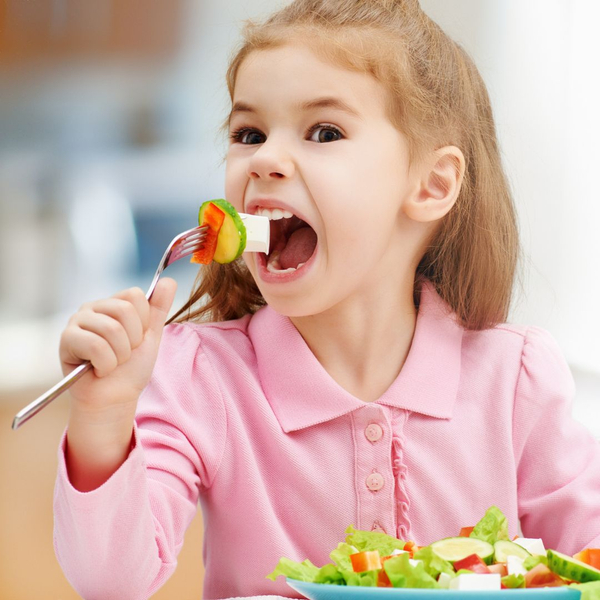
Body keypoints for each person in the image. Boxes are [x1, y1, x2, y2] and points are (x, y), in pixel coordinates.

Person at [53, 0, 600, 598]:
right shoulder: (200, 378)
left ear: (432, 184)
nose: (263, 159)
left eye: (324, 132)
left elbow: (587, 560)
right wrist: (104, 417)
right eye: (248, 134)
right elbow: (110, 582)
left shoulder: (515, 381)